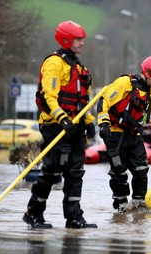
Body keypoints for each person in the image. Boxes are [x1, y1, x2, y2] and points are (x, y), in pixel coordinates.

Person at [23, 20, 97, 229]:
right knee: (52, 171)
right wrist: (62, 118)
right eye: (78, 39)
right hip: (56, 126)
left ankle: (73, 217)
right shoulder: (54, 63)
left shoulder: (79, 67)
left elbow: (83, 101)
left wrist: (89, 122)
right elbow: (49, 97)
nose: (82, 43)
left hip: (75, 127)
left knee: (75, 172)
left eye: (82, 39)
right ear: (66, 39)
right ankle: (33, 213)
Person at [96, 56, 151, 213]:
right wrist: (103, 123)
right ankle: (120, 204)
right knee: (119, 171)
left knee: (141, 168)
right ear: (149, 72)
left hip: (134, 135)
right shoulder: (125, 83)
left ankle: (139, 201)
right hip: (115, 134)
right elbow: (104, 101)